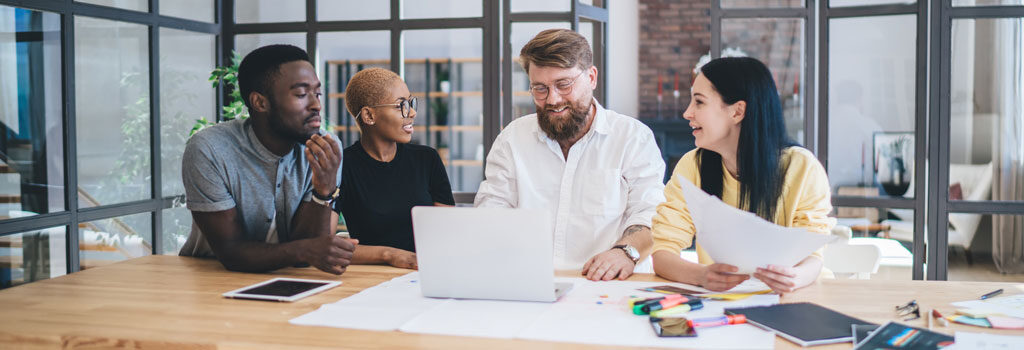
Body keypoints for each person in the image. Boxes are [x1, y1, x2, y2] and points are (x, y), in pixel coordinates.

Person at [474, 29, 666, 281]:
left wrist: (624, 253)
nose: (553, 99)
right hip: (530, 281)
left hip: (610, 285)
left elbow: (651, 212)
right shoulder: (513, 139)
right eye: (540, 88)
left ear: (592, 77)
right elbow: (492, 210)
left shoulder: (632, 137)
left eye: (563, 85)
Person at [651, 57, 835, 293]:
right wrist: (703, 276)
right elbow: (662, 253)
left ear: (737, 111)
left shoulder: (802, 168)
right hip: (723, 303)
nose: (687, 113)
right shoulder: (692, 165)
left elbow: (813, 256)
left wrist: (794, 278)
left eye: (699, 102)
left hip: (796, 297)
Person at [180, 44, 355, 275]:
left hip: (286, 277)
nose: (316, 105)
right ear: (260, 102)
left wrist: (324, 190)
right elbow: (232, 252)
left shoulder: (325, 148)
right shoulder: (210, 150)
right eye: (302, 94)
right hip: (210, 276)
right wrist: (305, 250)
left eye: (317, 93)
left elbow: (309, 253)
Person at [335, 67, 455, 269]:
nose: (413, 112)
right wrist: (389, 255)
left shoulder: (427, 159)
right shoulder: (342, 166)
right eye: (401, 105)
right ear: (369, 115)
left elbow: (447, 232)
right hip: (367, 278)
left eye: (411, 103)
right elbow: (326, 247)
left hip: (426, 271)